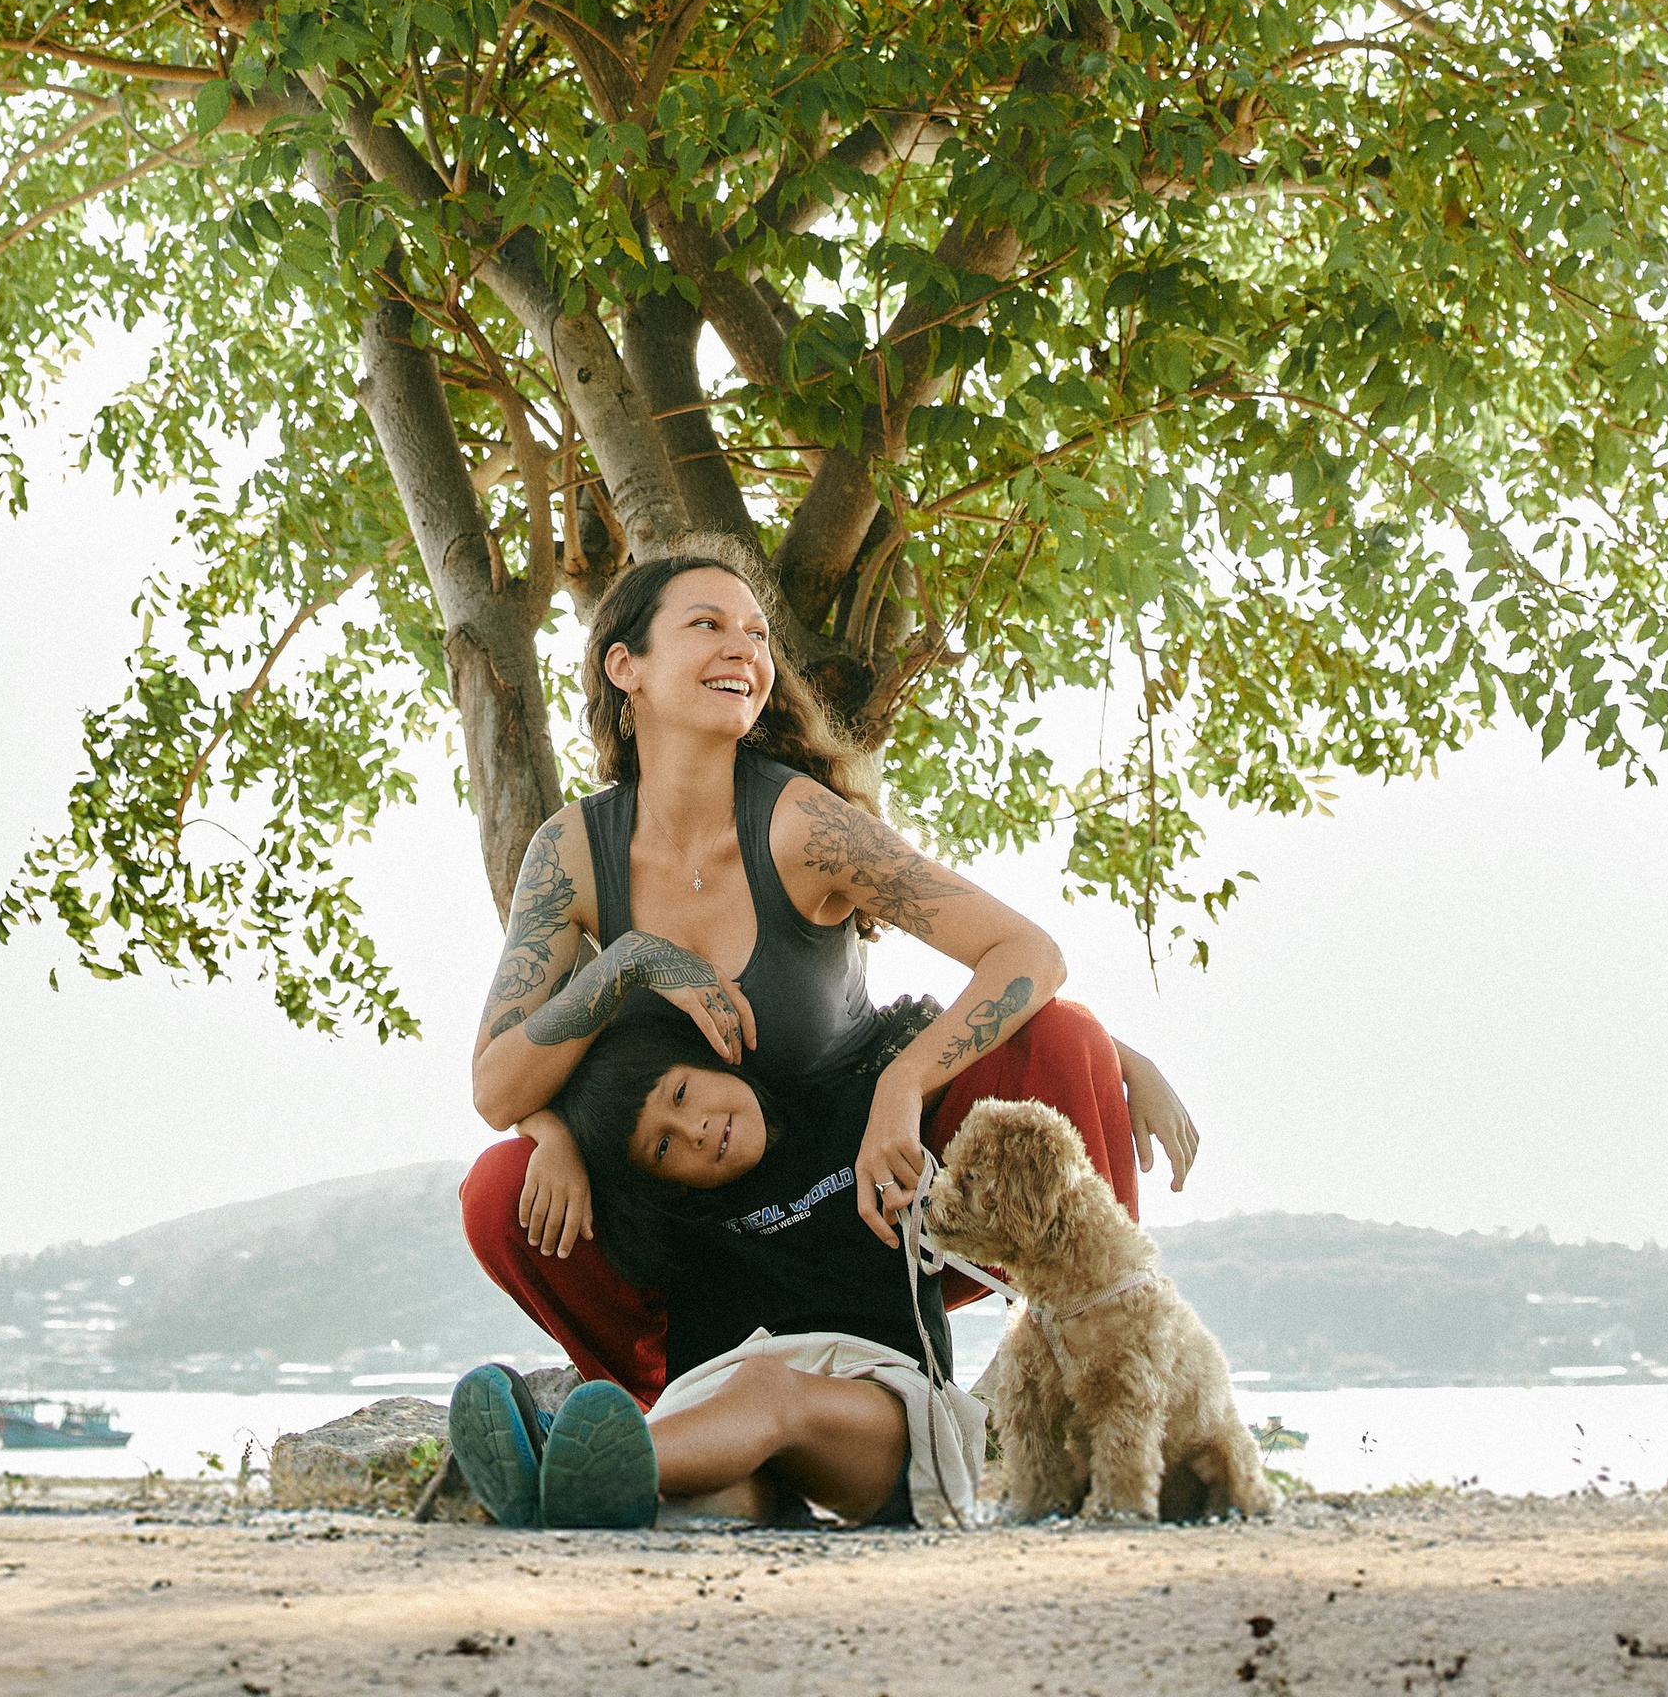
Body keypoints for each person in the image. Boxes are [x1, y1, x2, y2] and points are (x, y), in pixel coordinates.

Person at [461, 539, 1201, 1401]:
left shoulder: (803, 824)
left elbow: (1030, 954)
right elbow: (496, 1088)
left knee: (1066, 1034)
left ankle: (1102, 1367)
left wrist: (904, 1084)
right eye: (708, 625)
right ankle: (661, 1410)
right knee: (498, 1192)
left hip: (872, 1184)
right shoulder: (572, 852)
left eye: (759, 634)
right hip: (713, 1223)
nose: (745, 648)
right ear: (625, 665)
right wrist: (628, 967)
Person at [451, 998, 957, 1530]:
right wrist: (554, 1136)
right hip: (727, 1434)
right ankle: (578, 1495)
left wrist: (902, 1088)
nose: (693, 1130)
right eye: (663, 1145)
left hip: (886, 1417)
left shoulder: (854, 1112)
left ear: (709, 1057)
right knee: (717, 1494)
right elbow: (511, 1093)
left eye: (682, 1093)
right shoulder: (681, 1215)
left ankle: (562, 1464)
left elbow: (968, 1010)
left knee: (766, 1387)